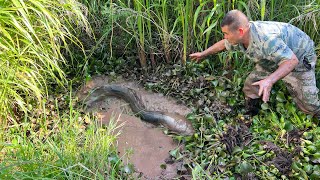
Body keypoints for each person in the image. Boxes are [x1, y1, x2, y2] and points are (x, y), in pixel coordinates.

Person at [189, 9, 319, 118]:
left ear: (240, 31)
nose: (225, 37)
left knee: (309, 105)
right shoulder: (240, 37)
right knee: (251, 84)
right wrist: (203, 54)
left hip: (299, 57)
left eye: (226, 34)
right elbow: (223, 44)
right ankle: (251, 112)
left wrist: (269, 80)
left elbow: (292, 61)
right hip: (271, 56)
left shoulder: (267, 39)